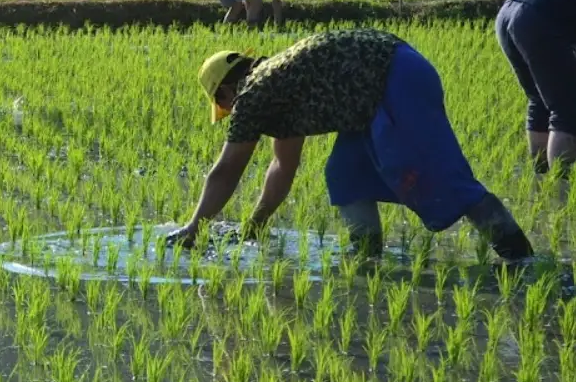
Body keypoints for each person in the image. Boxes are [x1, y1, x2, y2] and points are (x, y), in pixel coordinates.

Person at [164, 29, 534, 262]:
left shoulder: (254, 93)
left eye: (224, 105)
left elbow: (227, 169)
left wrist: (194, 226)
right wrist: (256, 224)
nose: (230, 112)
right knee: (346, 173)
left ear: (228, 91)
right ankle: (367, 255)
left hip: (393, 79)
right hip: (386, 79)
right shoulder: (278, 87)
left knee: (437, 175)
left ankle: (518, 255)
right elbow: (282, 167)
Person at [496, 0, 576, 174]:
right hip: (536, 19)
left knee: (540, 99)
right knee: (568, 108)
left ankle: (540, 174)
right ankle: (560, 187)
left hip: (507, 14)